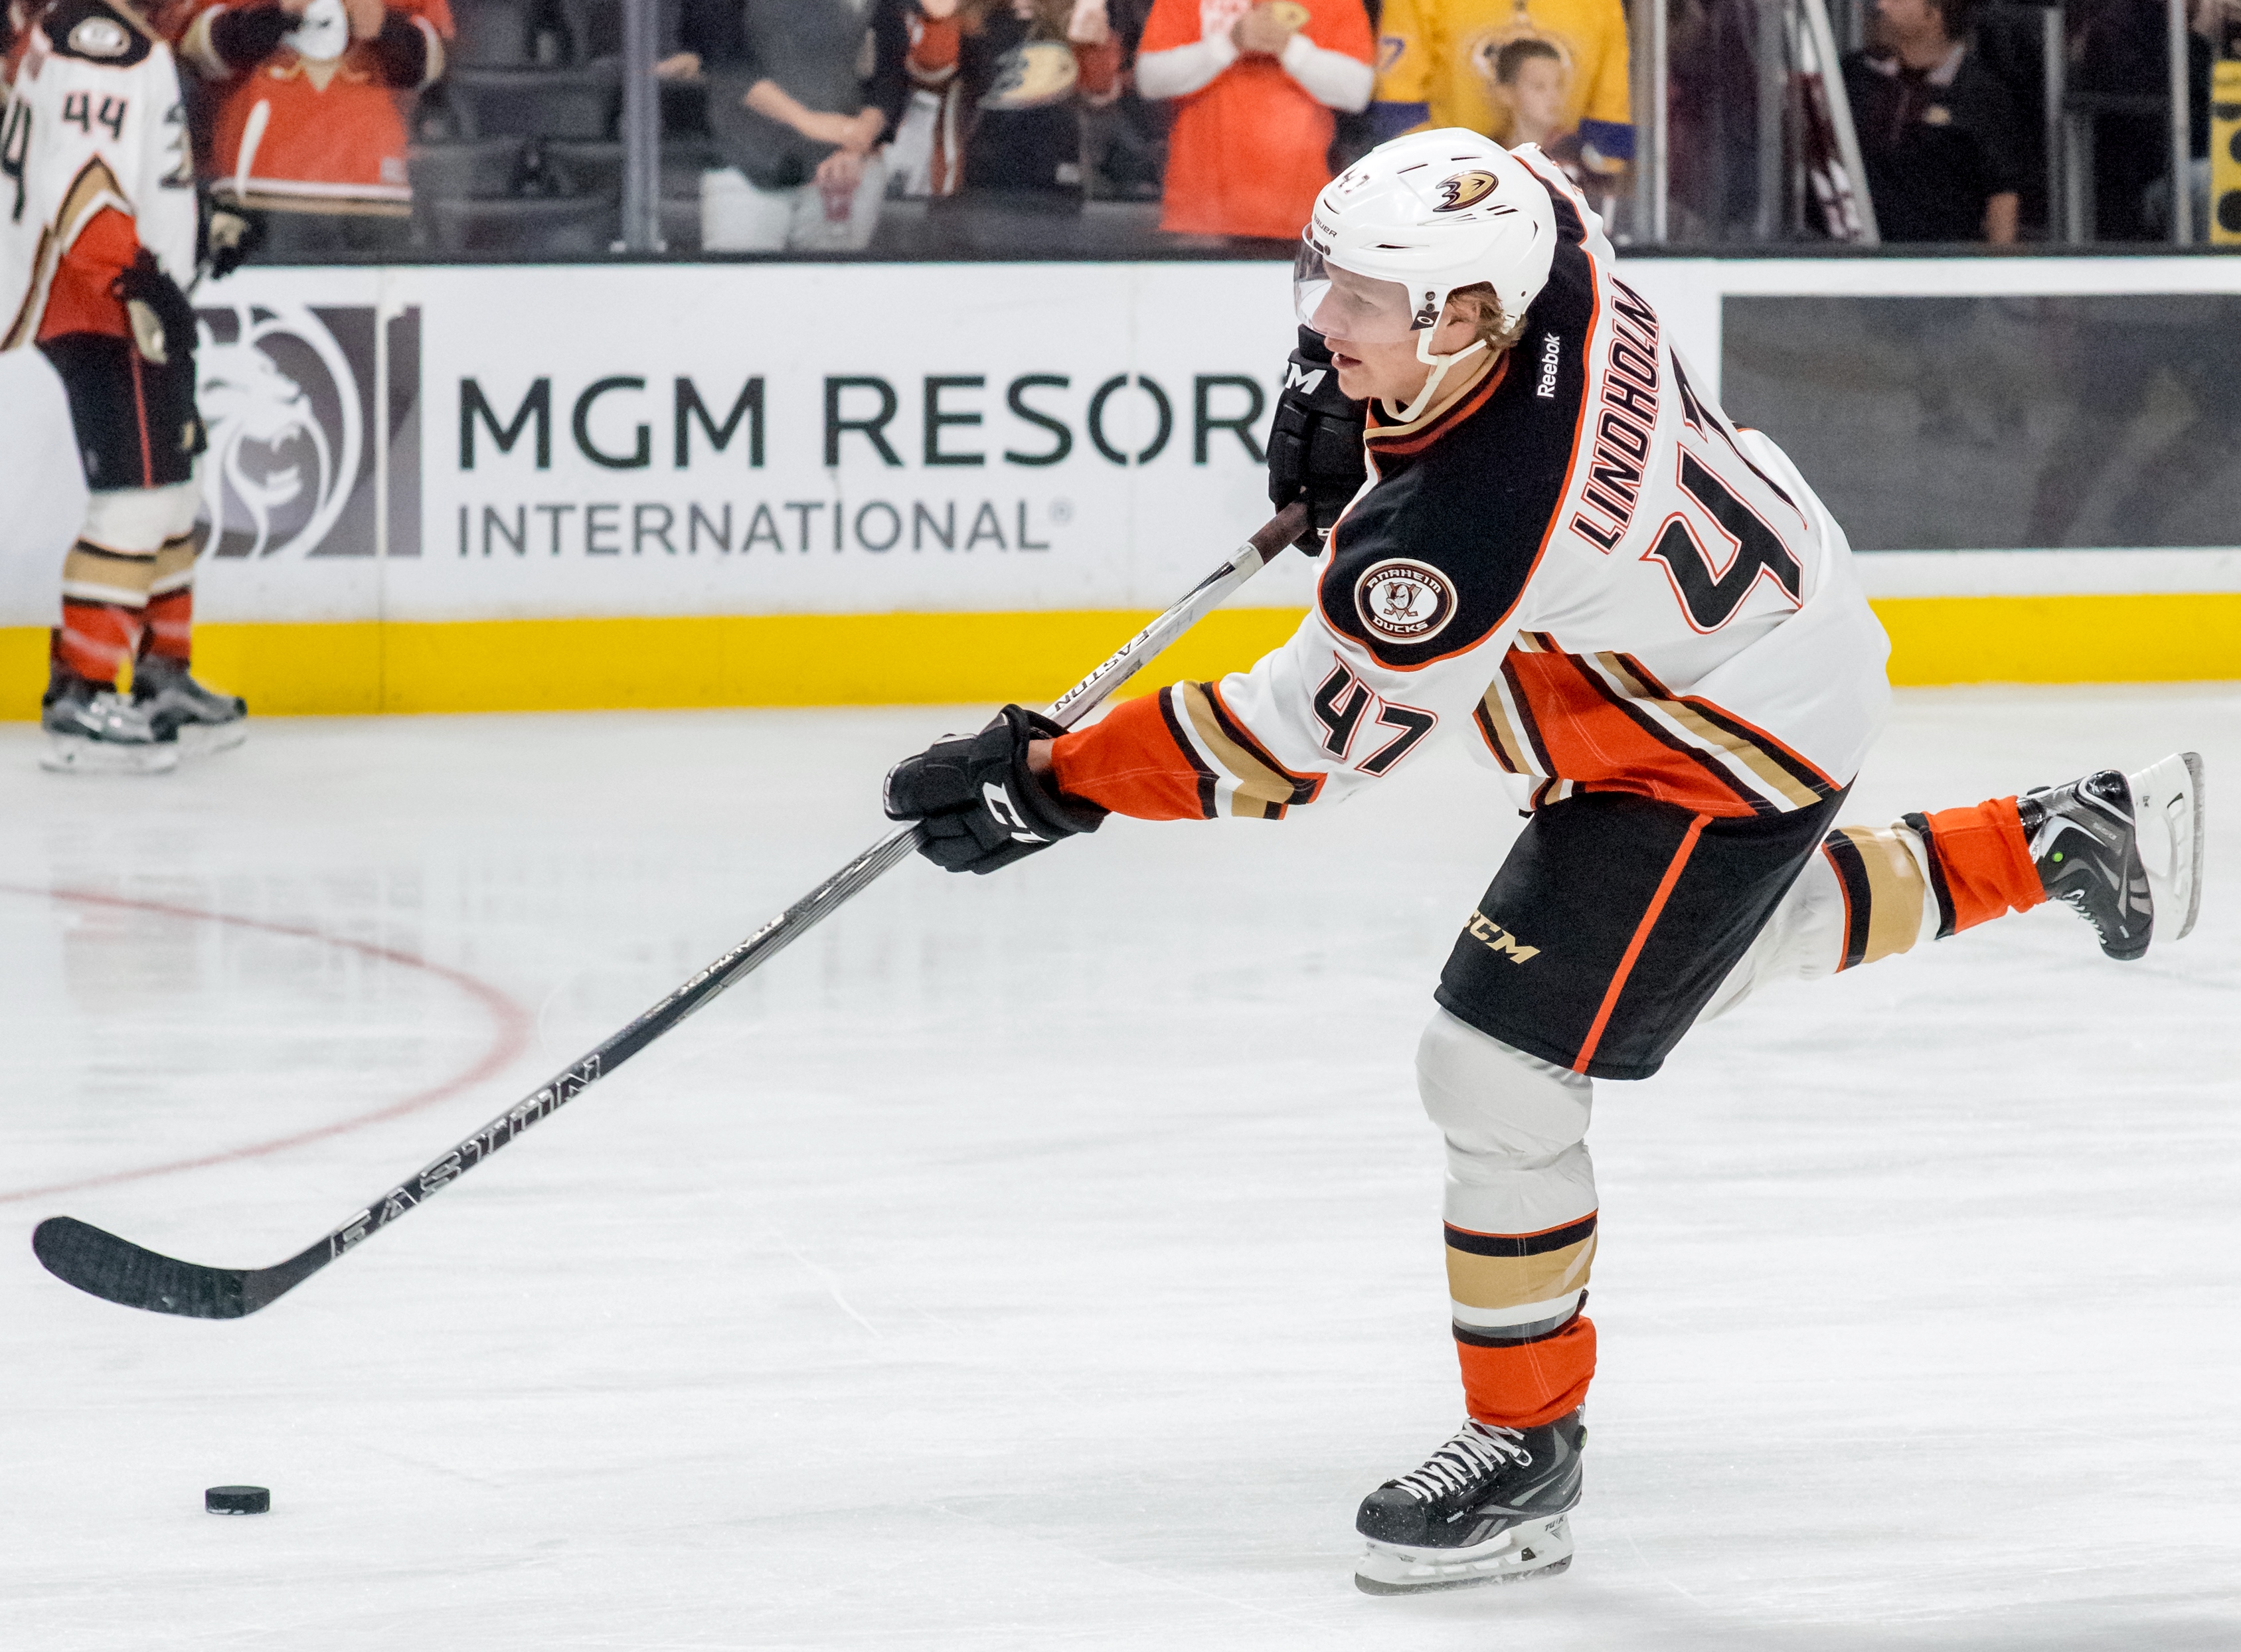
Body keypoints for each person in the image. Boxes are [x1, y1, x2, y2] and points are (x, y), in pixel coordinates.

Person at [878, 128, 2208, 1593]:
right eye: (1325, 282)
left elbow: (1292, 747)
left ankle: (1523, 1454)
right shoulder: (1543, 239)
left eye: (1360, 306)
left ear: (1462, 322)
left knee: (1498, 1065)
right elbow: (1499, 176)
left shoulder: (1467, 529)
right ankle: (2054, 841)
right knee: (1674, 959)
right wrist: (1359, 411)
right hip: (1744, 633)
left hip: (1710, 739)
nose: (1321, 320)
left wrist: (1051, 781)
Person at [1, 0, 248, 772]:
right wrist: (138, 279)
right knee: (137, 500)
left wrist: (197, 227)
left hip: (122, 294)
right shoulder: (97, 40)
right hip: (104, 305)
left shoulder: (97, 31)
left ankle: (162, 673)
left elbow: (123, 163)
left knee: (172, 490)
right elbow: (78, 176)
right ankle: (80, 690)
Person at [169, 0, 450, 257]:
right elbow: (191, 49)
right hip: (256, 190)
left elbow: (435, 64)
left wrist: (384, 26)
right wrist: (276, 14)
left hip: (374, 192)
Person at [1133, 0, 1374, 242]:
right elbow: (1150, 79)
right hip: (1199, 217)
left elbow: (1356, 92)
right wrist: (1229, 43)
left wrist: (1287, 46)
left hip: (1303, 217)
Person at [669, 0, 893, 254]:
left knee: (834, 290)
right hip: (745, 163)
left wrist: (863, 134)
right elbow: (719, 50)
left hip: (841, 173)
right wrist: (807, 121)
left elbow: (893, 59)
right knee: (741, 288)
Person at [1370, 0, 1631, 183]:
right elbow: (1399, 110)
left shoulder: (1601, 5)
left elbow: (1609, 131)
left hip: (1560, 193)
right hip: (1447, 193)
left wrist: (1574, 172)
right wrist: (1447, 180)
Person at [1841, 0, 2023, 243]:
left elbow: (2001, 195)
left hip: (1941, 265)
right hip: (1849, 261)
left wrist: (2000, 274)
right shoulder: (1851, 76)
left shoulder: (1981, 92)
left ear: (1935, 13)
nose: (1881, 6)